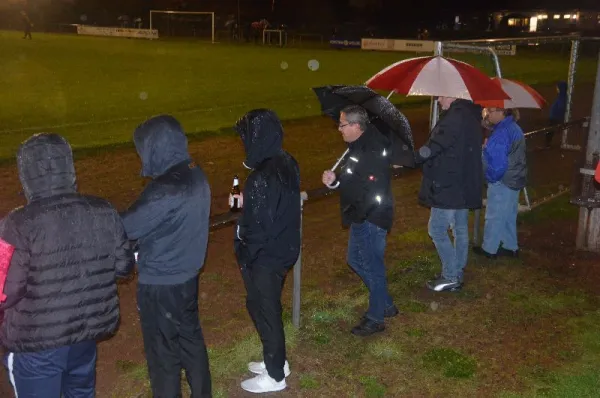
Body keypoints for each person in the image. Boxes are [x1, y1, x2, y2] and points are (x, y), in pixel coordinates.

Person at [0, 133, 134, 397]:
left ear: (26, 172)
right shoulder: (103, 209)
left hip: (36, 344)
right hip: (85, 335)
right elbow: (124, 266)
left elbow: (5, 289)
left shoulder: (17, 223)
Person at [121, 115, 212, 398]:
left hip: (161, 283)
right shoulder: (194, 171)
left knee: (163, 356)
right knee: (191, 340)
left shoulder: (165, 187)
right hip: (187, 276)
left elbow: (127, 226)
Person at [233, 109, 301, 394]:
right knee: (261, 305)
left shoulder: (261, 177)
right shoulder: (286, 161)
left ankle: (275, 376)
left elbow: (258, 226)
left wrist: (242, 240)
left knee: (265, 309)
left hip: (267, 255)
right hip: (284, 248)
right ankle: (278, 361)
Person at [322, 104, 398, 337]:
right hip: (361, 215)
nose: (339, 129)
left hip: (371, 217)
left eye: (343, 124)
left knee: (373, 267)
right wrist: (335, 180)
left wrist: (363, 217)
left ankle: (376, 318)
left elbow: (370, 187)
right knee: (355, 260)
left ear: (356, 126)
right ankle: (385, 302)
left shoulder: (371, 149)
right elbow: (351, 179)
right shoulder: (357, 146)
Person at [416, 97, 483, 292]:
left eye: (441, 94)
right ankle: (457, 270)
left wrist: (409, 158)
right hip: (462, 183)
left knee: (436, 229)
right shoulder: (470, 114)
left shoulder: (455, 117)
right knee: (460, 228)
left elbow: (436, 146)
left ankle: (451, 276)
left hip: (449, 184)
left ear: (453, 94)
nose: (438, 99)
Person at [473, 108, 527, 259]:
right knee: (508, 215)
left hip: (503, 179)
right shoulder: (513, 127)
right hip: (514, 178)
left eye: (490, 111)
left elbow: (497, 164)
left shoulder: (502, 132)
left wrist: (490, 178)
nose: (487, 115)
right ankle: (510, 246)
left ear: (502, 112)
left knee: (494, 214)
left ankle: (489, 249)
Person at [545, 81, 567, 148]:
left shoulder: (562, 97)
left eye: (557, 88)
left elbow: (561, 107)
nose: (556, 89)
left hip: (555, 118)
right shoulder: (562, 96)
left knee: (550, 131)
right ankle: (547, 143)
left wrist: (560, 119)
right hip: (555, 117)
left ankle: (547, 145)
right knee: (550, 131)